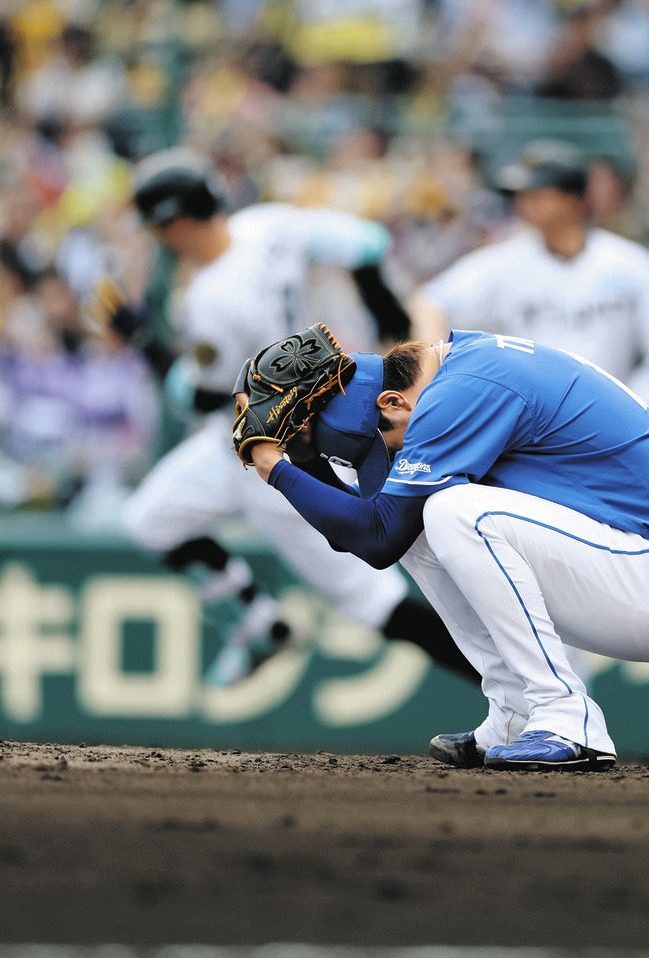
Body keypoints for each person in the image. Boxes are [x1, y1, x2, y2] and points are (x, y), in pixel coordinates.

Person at [236, 327, 649, 771]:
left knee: (453, 511)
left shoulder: (460, 390)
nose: (389, 453)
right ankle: (515, 712)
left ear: (391, 402)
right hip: (623, 564)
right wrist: (301, 461)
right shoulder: (437, 379)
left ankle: (566, 716)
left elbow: (375, 537)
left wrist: (276, 469)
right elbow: (367, 534)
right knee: (421, 516)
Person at [98, 147, 474, 687]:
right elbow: (367, 243)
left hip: (281, 452)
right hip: (239, 444)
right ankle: (258, 624)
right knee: (150, 521)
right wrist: (391, 323)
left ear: (174, 224)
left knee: (375, 603)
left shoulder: (211, 299)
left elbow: (199, 397)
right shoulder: (267, 225)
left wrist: (141, 342)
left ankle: (510, 688)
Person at [408, 140, 649, 435]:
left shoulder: (629, 263)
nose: (523, 203)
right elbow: (429, 303)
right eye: (522, 195)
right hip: (530, 423)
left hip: (611, 419)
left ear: (574, 200)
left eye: (537, 194)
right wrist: (437, 375)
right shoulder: (506, 261)